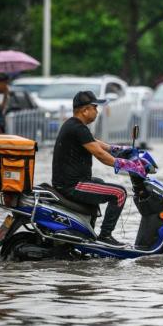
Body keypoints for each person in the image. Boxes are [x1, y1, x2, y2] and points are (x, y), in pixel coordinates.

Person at [52, 90, 144, 247]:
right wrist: (128, 165)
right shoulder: (78, 128)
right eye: (95, 107)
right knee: (119, 193)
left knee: (100, 182)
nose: (97, 111)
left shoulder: (73, 125)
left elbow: (95, 143)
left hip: (68, 182)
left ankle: (88, 234)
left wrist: (118, 149)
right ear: (85, 110)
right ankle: (105, 236)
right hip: (73, 185)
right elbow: (100, 154)